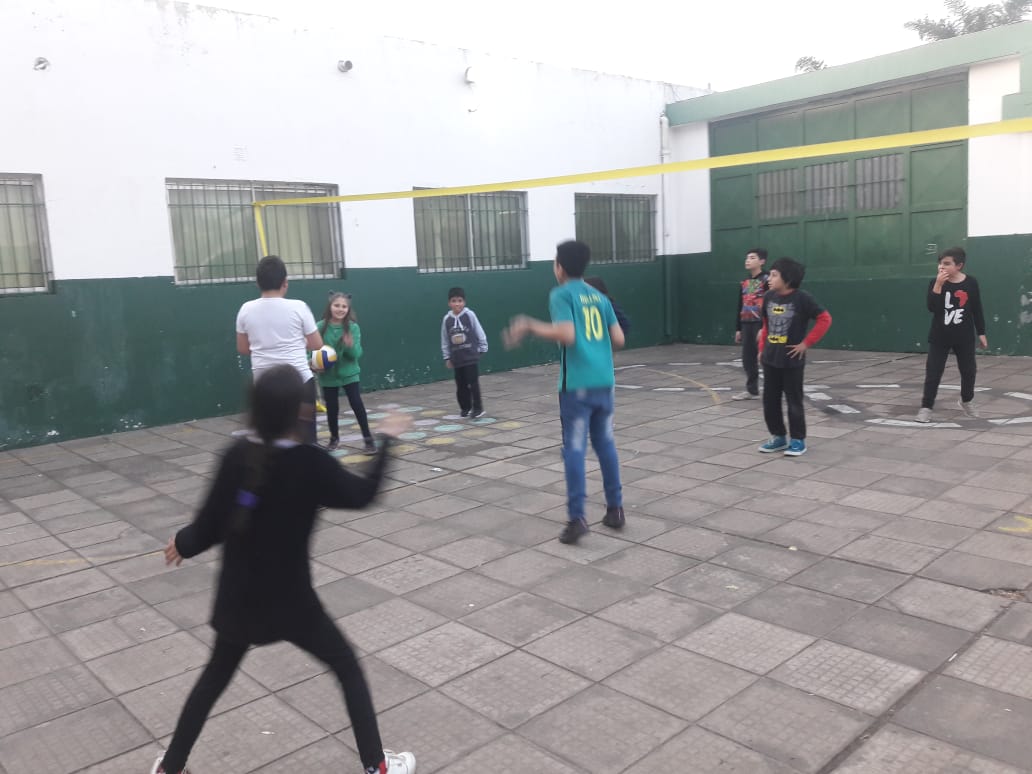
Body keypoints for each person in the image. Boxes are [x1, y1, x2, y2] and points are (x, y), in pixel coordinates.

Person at [150, 365, 416, 774]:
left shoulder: (236, 456)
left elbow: (209, 527)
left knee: (213, 680)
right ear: (304, 413)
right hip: (292, 604)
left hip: (238, 600)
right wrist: (387, 441)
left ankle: (170, 768)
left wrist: (181, 543)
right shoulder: (310, 463)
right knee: (346, 667)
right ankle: (377, 767)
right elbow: (364, 494)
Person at [503, 240, 625, 544]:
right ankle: (615, 509)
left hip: (577, 386)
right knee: (605, 444)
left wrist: (530, 325)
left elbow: (567, 334)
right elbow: (619, 338)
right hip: (604, 382)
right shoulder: (599, 297)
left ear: (559, 266)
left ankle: (577, 518)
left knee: (574, 449)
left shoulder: (560, 294)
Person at [235, 255, 322, 444]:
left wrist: (266, 347)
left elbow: (242, 348)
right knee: (306, 442)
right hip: (300, 382)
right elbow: (316, 344)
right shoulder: (299, 307)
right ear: (285, 282)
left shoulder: (245, 309)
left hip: (264, 385)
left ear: (258, 283)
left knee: (267, 440)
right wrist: (295, 345)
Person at [756, 257, 832, 457]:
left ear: (788, 278)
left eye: (774, 275)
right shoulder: (769, 298)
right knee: (770, 401)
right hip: (770, 359)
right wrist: (761, 349)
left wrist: (806, 344)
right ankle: (778, 437)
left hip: (792, 361)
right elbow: (766, 324)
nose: (769, 279)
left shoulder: (802, 298)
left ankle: (798, 440)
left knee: (794, 401)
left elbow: (825, 319)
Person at [917, 247, 988, 422]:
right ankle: (926, 407)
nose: (942, 267)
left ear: (959, 265)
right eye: (940, 263)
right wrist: (939, 285)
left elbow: (977, 309)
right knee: (933, 372)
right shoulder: (935, 283)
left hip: (964, 336)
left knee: (969, 371)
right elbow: (932, 308)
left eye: (947, 263)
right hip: (939, 336)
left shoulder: (971, 283)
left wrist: (981, 332)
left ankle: (967, 400)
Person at [316, 291, 375, 453]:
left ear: (348, 309)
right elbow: (312, 348)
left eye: (344, 307)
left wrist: (350, 346)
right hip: (328, 375)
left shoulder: (353, 328)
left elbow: (357, 354)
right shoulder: (320, 326)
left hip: (349, 374)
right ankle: (334, 438)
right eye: (337, 305)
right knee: (332, 408)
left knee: (357, 404)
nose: (340, 309)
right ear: (330, 306)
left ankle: (368, 439)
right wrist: (312, 362)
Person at [441, 287, 489, 418]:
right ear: (449, 303)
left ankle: (478, 408)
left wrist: (483, 347)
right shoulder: (447, 320)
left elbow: (479, 330)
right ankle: (465, 408)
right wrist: (447, 357)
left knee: (473, 383)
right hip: (457, 358)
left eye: (460, 301)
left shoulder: (470, 315)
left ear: (464, 302)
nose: (457, 304)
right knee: (460, 384)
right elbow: (445, 339)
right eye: (454, 301)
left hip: (470, 356)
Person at [732, 248, 768, 401]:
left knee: (766, 357)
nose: (748, 260)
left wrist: (764, 327)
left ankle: (775, 388)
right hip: (747, 324)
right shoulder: (746, 282)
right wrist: (738, 328)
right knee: (748, 358)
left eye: (752, 257)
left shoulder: (767, 280)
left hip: (761, 324)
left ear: (762, 261)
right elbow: (742, 305)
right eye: (747, 257)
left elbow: (769, 304)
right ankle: (752, 391)